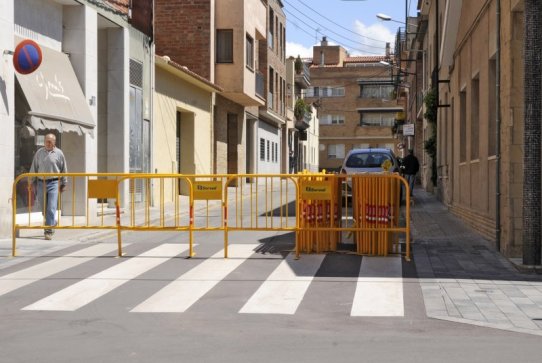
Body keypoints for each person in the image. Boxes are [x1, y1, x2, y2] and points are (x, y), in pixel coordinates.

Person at [29, 133, 67, 240]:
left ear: (54, 142)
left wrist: (64, 183)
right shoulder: (39, 153)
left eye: (51, 141)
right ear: (44, 141)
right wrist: (31, 182)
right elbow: (34, 167)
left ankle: (48, 231)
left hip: (54, 183)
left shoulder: (59, 153)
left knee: (51, 207)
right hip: (41, 183)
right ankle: (52, 222)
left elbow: (64, 169)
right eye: (47, 141)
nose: (48, 143)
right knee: (44, 208)